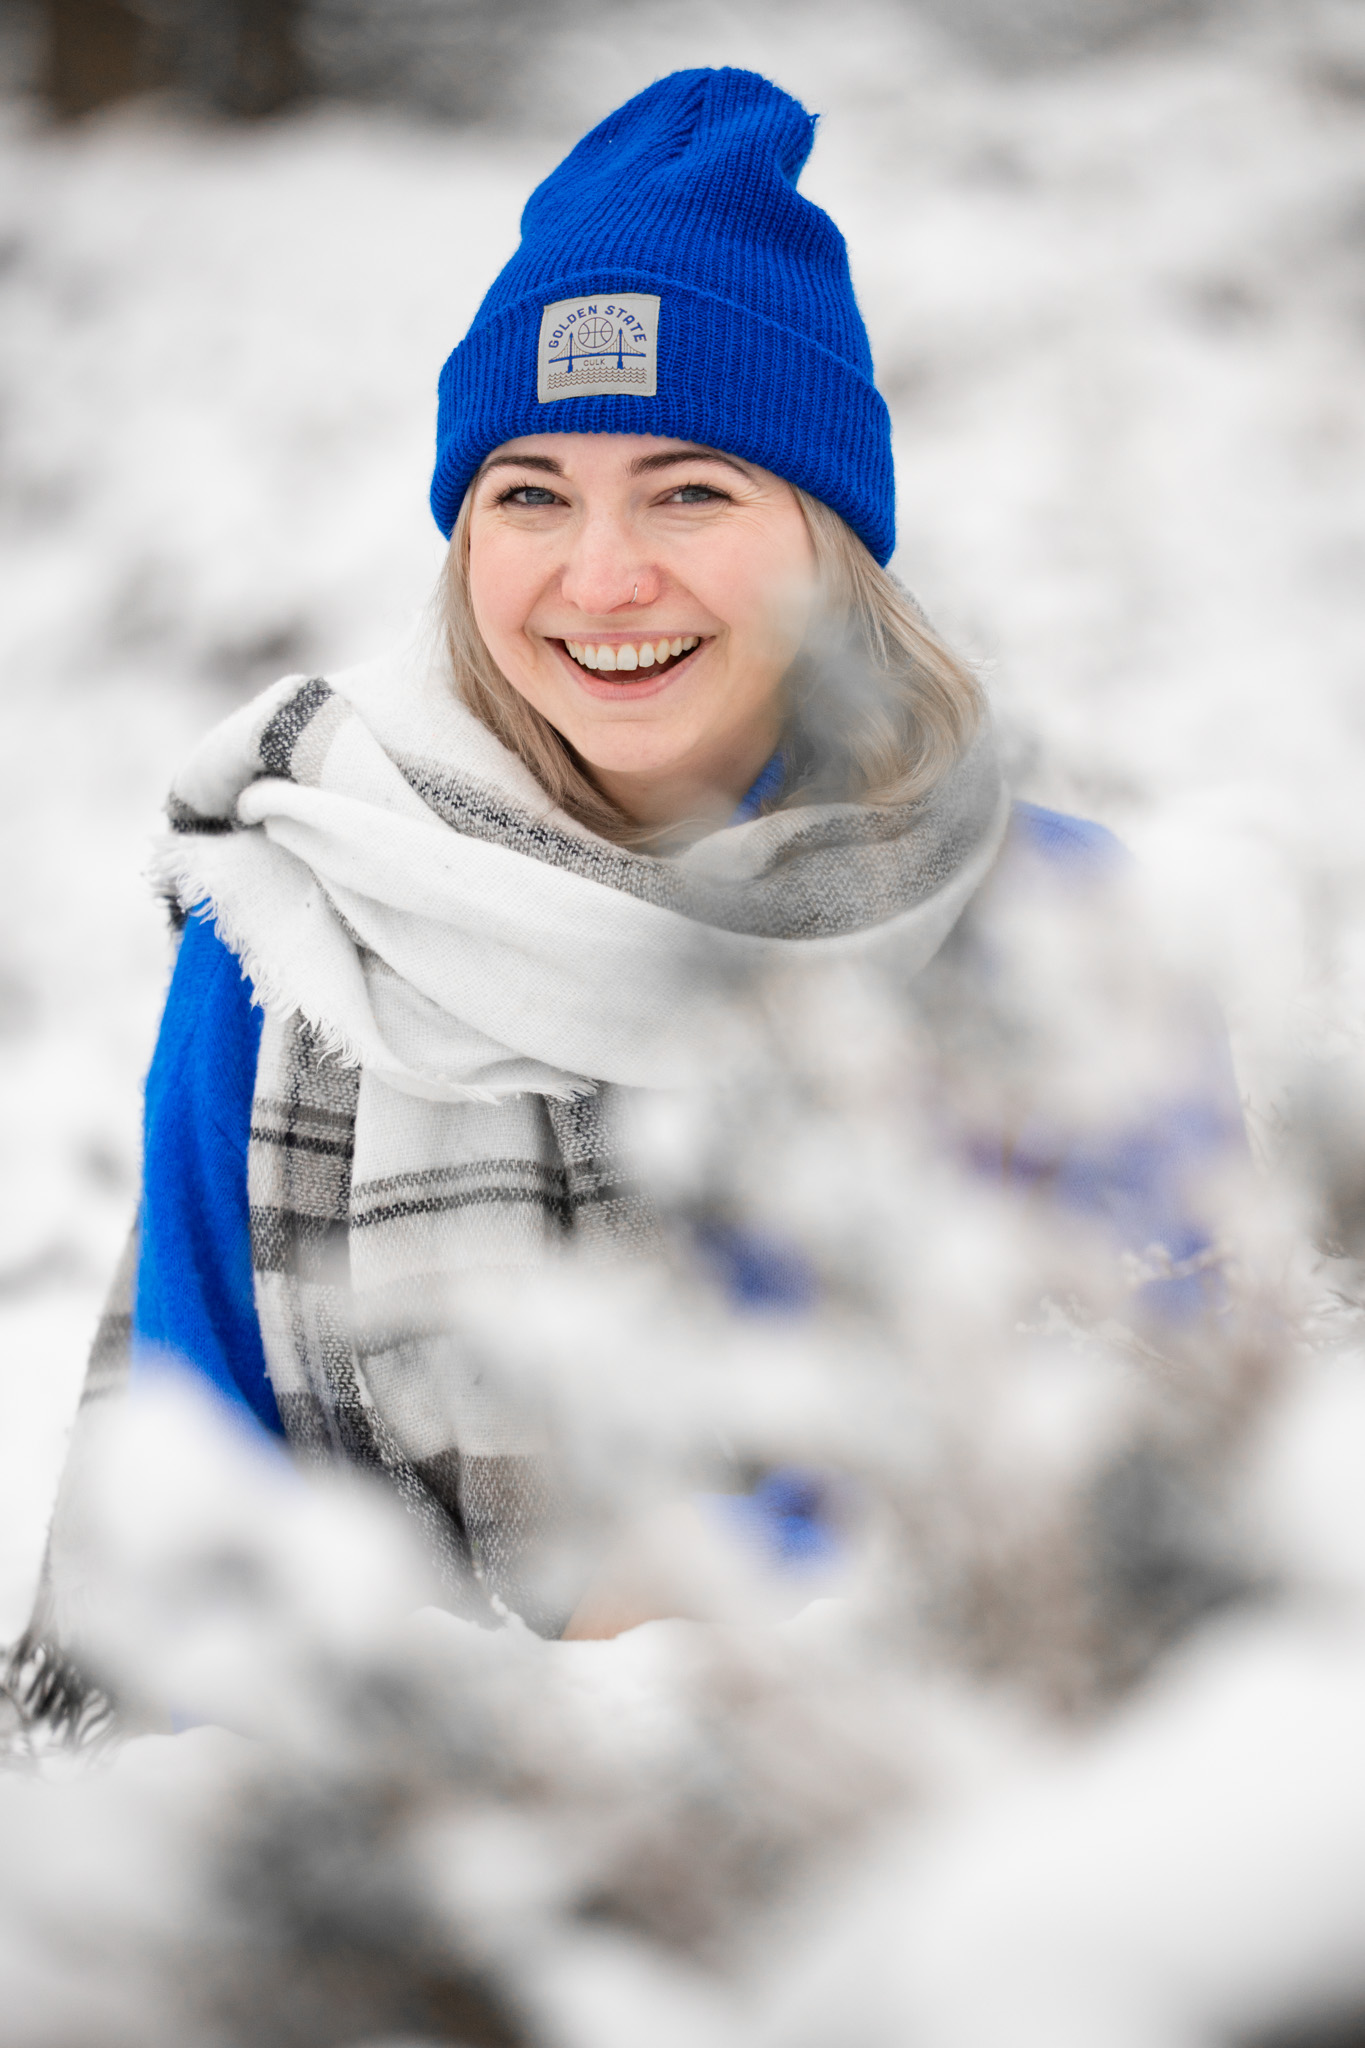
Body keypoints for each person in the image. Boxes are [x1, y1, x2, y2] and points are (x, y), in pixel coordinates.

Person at [16, 69, 1246, 1707]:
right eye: (529, 493)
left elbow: (1180, 1476)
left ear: (826, 537)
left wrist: (731, 1607)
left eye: (689, 490)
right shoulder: (298, 925)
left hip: (967, 1825)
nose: (601, 578)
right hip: (400, 1839)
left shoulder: (1052, 931)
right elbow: (182, 1523)